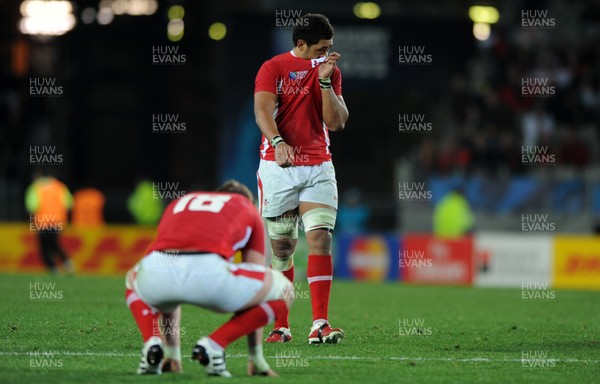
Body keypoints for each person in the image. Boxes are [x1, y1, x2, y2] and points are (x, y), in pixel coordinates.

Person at [124, 180, 294, 377]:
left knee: (132, 279)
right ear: (245, 199)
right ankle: (214, 344)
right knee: (283, 290)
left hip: (159, 271)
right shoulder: (248, 207)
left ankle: (156, 345)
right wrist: (255, 355)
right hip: (209, 275)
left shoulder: (182, 201)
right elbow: (256, 282)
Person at [254, 13, 349, 344]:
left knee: (320, 238)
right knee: (282, 247)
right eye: (321, 48)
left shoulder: (329, 71)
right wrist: (279, 143)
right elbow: (263, 111)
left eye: (330, 48)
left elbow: (336, 122)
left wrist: (325, 82)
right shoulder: (273, 68)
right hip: (278, 166)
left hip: (318, 166)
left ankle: (320, 323)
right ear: (301, 45)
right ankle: (281, 326)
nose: (327, 54)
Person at [25, 169, 74, 274]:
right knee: (55, 244)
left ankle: (53, 268)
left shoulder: (35, 188)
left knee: (44, 246)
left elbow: (32, 207)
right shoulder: (59, 186)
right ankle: (67, 263)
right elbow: (69, 204)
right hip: (58, 221)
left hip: (42, 222)